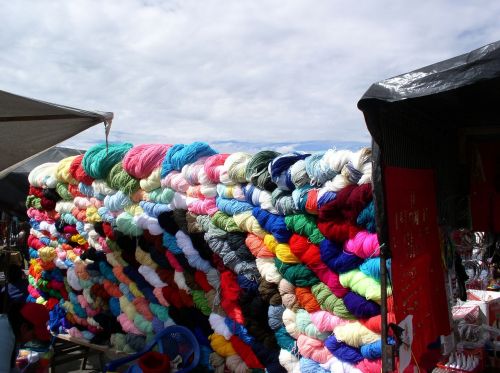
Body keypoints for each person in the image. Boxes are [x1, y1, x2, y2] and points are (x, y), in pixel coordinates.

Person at [0, 302, 51, 373]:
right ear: (24, 328)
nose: (32, 340)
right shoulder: (4, 335)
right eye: (33, 336)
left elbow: (13, 369)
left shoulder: (14, 334)